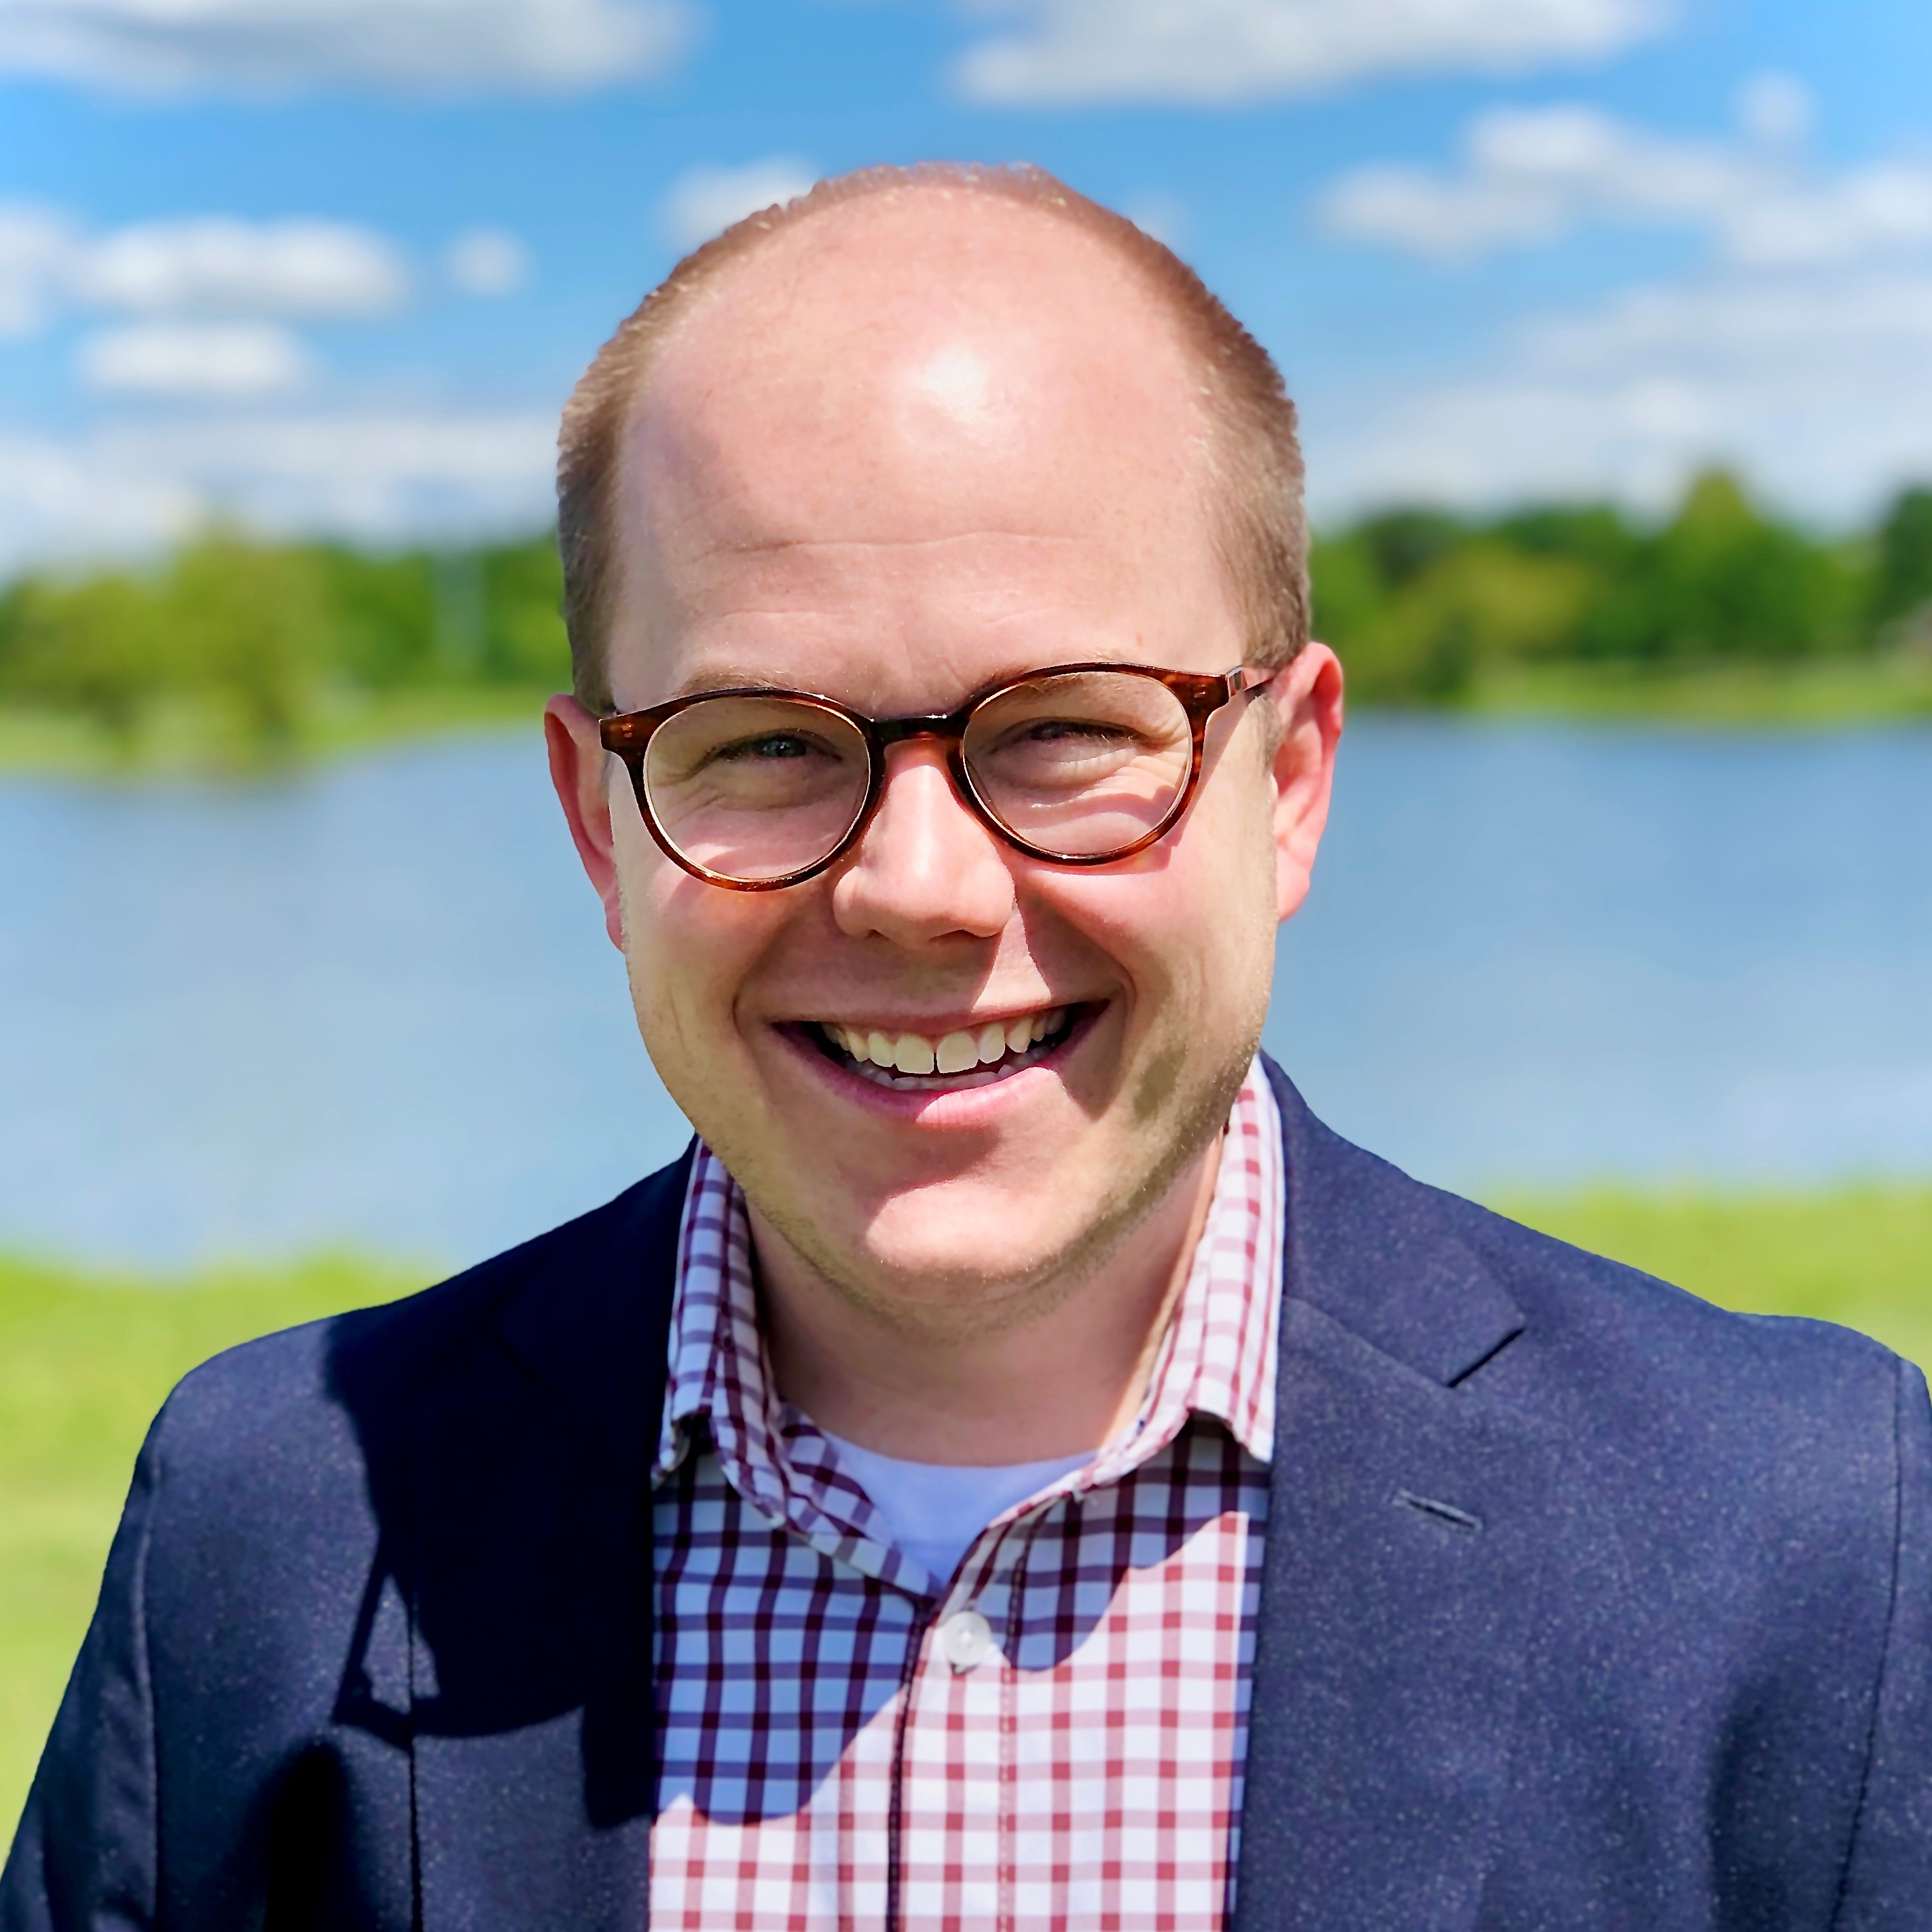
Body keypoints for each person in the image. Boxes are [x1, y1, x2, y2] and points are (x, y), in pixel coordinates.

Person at [4, 162, 1928, 1932]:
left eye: (1067, 729)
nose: (916, 889)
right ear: (601, 826)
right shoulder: (262, 1536)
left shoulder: (1800, 1545)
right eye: (765, 740)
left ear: (1292, 779)